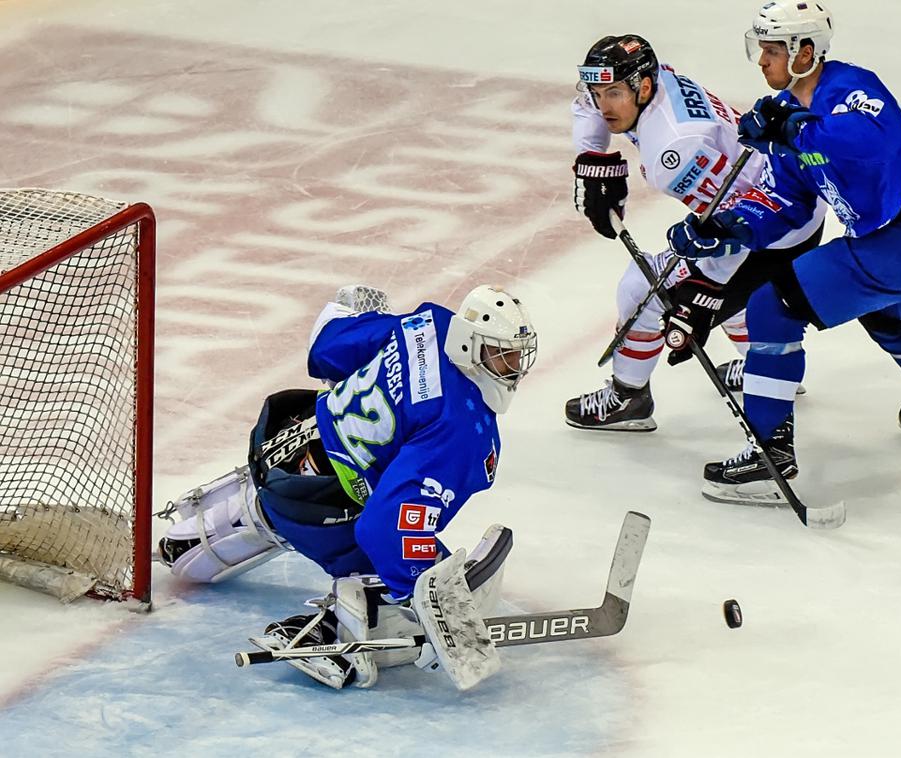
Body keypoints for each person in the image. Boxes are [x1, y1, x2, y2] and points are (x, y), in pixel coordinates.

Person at [666, 2, 901, 505]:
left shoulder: (851, 89)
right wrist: (731, 228)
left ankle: (769, 457)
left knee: (771, 308)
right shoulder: (785, 117)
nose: (763, 62)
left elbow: (872, 140)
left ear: (805, 51)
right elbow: (789, 204)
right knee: (894, 322)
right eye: (762, 49)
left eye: (774, 50)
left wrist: (793, 129)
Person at [155, 284, 537, 688]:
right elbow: (388, 526)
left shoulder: (428, 326)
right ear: (469, 346)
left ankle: (184, 543)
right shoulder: (464, 428)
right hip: (317, 507)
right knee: (410, 582)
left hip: (283, 442)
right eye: (502, 354)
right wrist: (426, 605)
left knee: (282, 499)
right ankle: (341, 629)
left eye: (516, 353)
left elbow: (327, 346)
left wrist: (357, 319)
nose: (514, 367)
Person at [566, 34, 826, 431]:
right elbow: (586, 99)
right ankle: (758, 355)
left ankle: (628, 397)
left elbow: (733, 225)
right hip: (788, 193)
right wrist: (593, 157)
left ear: (643, 87)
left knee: (643, 288)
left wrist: (705, 294)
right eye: (600, 91)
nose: (603, 107)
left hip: (778, 226)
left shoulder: (674, 151)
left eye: (614, 94)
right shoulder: (657, 78)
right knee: (700, 276)